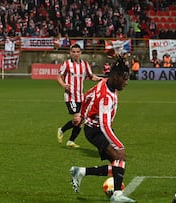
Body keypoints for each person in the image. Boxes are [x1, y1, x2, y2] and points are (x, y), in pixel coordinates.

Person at [69, 57, 136, 203]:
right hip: (96, 130)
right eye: (124, 79)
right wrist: (119, 146)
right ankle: (117, 195)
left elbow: (87, 96)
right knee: (120, 157)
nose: (126, 82)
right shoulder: (106, 98)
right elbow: (104, 125)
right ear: (116, 77)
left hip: (95, 127)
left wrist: (82, 114)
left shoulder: (105, 82)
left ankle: (80, 171)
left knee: (118, 165)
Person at [56, 44, 103, 148]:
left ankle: (71, 141)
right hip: (70, 96)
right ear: (70, 53)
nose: (75, 54)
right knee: (77, 118)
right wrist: (63, 85)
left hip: (81, 97)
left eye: (77, 52)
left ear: (80, 53)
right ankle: (61, 130)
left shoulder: (85, 64)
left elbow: (91, 77)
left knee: (80, 120)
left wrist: (100, 79)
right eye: (73, 52)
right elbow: (59, 76)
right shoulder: (67, 64)